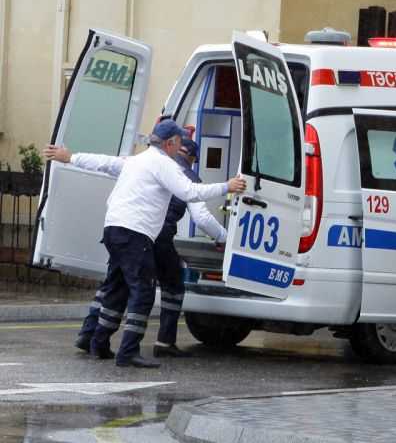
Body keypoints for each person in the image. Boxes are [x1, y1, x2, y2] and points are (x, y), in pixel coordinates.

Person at [43, 120, 246, 368]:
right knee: (143, 292)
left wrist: (71, 158)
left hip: (113, 229)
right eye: (179, 142)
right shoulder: (164, 164)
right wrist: (227, 187)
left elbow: (105, 163)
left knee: (116, 288)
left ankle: (98, 343)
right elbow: (190, 192)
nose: (180, 146)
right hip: (135, 234)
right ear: (171, 143)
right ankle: (128, 352)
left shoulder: (138, 160)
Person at [73, 136, 228, 358]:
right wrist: (223, 237)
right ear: (192, 159)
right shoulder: (186, 176)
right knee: (171, 285)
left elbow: (105, 163)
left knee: (113, 284)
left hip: (125, 230)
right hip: (157, 236)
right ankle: (163, 342)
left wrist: (71, 158)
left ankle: (89, 334)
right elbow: (201, 218)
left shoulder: (143, 163)